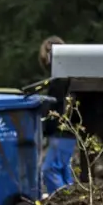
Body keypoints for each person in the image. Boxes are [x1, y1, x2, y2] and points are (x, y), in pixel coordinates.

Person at [40, 35, 79, 194]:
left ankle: (65, 204)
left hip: (62, 131)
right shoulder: (67, 78)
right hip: (68, 130)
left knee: (50, 169)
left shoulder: (60, 80)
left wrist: (44, 127)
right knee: (63, 169)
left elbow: (54, 107)